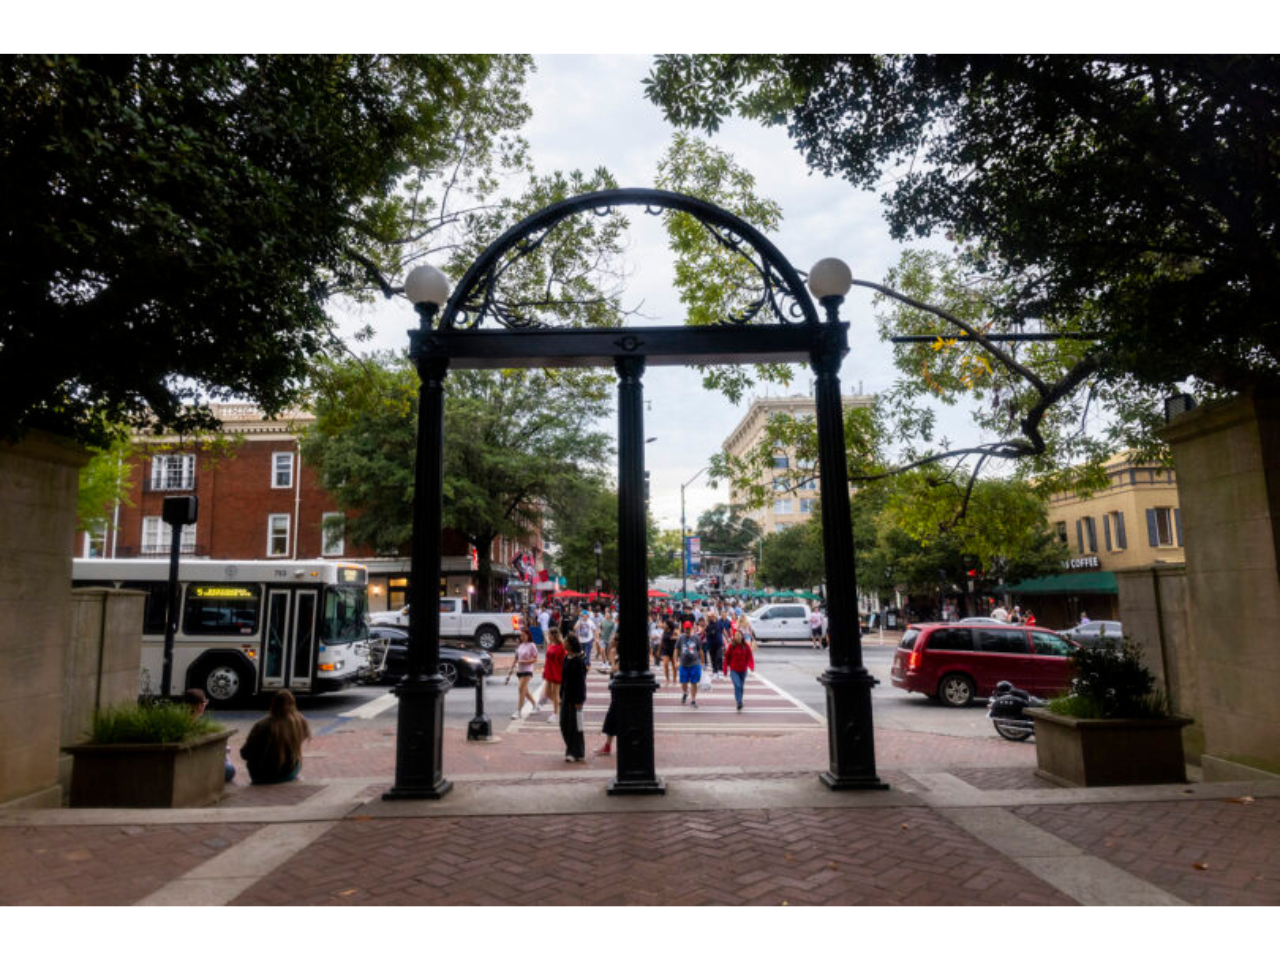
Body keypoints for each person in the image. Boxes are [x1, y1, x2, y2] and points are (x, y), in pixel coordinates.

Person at [239, 689, 311, 784]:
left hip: (261, 775)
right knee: (296, 758)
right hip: (289, 772)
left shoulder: (262, 725)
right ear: (293, 704)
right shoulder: (301, 722)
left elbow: (245, 753)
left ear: (273, 704)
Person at [183, 688, 235, 782]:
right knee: (229, 770)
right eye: (205, 703)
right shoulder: (196, 724)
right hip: (198, 760)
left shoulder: (183, 719)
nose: (205, 706)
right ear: (199, 705)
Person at [559, 634, 587, 762]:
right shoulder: (566, 658)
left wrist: (580, 700)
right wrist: (560, 694)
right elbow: (563, 678)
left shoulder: (579, 661)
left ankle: (573, 752)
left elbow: (581, 682)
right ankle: (574, 749)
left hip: (575, 698)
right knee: (564, 723)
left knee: (574, 726)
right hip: (566, 695)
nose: (563, 643)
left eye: (565, 641)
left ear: (570, 644)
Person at [595, 633, 622, 756]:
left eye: (615, 639)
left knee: (613, 716)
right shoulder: (613, 652)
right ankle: (607, 746)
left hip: (621, 689)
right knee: (613, 716)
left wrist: (612, 656)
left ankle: (608, 746)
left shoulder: (621, 654)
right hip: (615, 686)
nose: (612, 640)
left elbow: (616, 669)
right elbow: (613, 669)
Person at [507, 627, 539, 719]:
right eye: (521, 635)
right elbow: (516, 658)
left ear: (528, 635)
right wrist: (511, 669)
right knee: (525, 691)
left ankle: (519, 712)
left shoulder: (532, 645)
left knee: (521, 689)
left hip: (528, 670)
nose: (522, 637)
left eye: (524, 635)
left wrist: (525, 662)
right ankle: (535, 705)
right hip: (520, 670)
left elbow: (535, 659)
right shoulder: (520, 645)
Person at [537, 626, 566, 724]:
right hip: (549, 671)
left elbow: (563, 661)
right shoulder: (550, 644)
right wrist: (544, 670)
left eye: (549, 634)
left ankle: (555, 714)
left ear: (553, 635)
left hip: (557, 672)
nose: (548, 636)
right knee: (549, 693)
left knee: (555, 694)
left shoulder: (561, 646)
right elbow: (547, 659)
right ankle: (560, 704)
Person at [723, 628, 756, 711]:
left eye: (739, 635)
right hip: (734, 670)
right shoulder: (731, 646)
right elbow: (727, 658)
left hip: (743, 670)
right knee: (737, 685)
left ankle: (740, 700)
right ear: (734, 637)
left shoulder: (746, 646)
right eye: (736, 635)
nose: (738, 637)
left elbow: (750, 657)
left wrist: (751, 666)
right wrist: (725, 670)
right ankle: (739, 702)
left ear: (742, 636)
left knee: (741, 686)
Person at [677, 622, 702, 707]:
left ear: (691, 628)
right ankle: (685, 692)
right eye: (686, 628)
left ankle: (693, 700)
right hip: (683, 665)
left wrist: (702, 662)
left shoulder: (696, 638)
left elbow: (700, 650)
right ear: (684, 628)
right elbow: (676, 649)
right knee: (684, 682)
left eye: (689, 628)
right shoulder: (681, 638)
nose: (687, 630)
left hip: (694, 664)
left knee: (694, 682)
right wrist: (676, 661)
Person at [660, 618, 678, 685]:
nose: (664, 624)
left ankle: (674, 679)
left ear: (668, 625)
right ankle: (667, 679)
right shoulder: (664, 631)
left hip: (673, 650)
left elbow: (680, 636)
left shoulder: (674, 631)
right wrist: (660, 649)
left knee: (674, 666)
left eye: (665, 623)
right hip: (665, 650)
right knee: (665, 664)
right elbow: (661, 639)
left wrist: (674, 637)